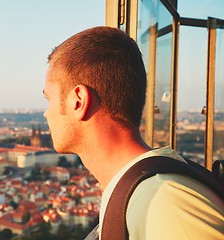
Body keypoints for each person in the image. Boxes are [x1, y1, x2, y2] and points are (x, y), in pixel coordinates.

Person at [43, 26, 224, 239]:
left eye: (48, 99)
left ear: (78, 101)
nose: (46, 114)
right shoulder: (144, 191)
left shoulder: (161, 200)